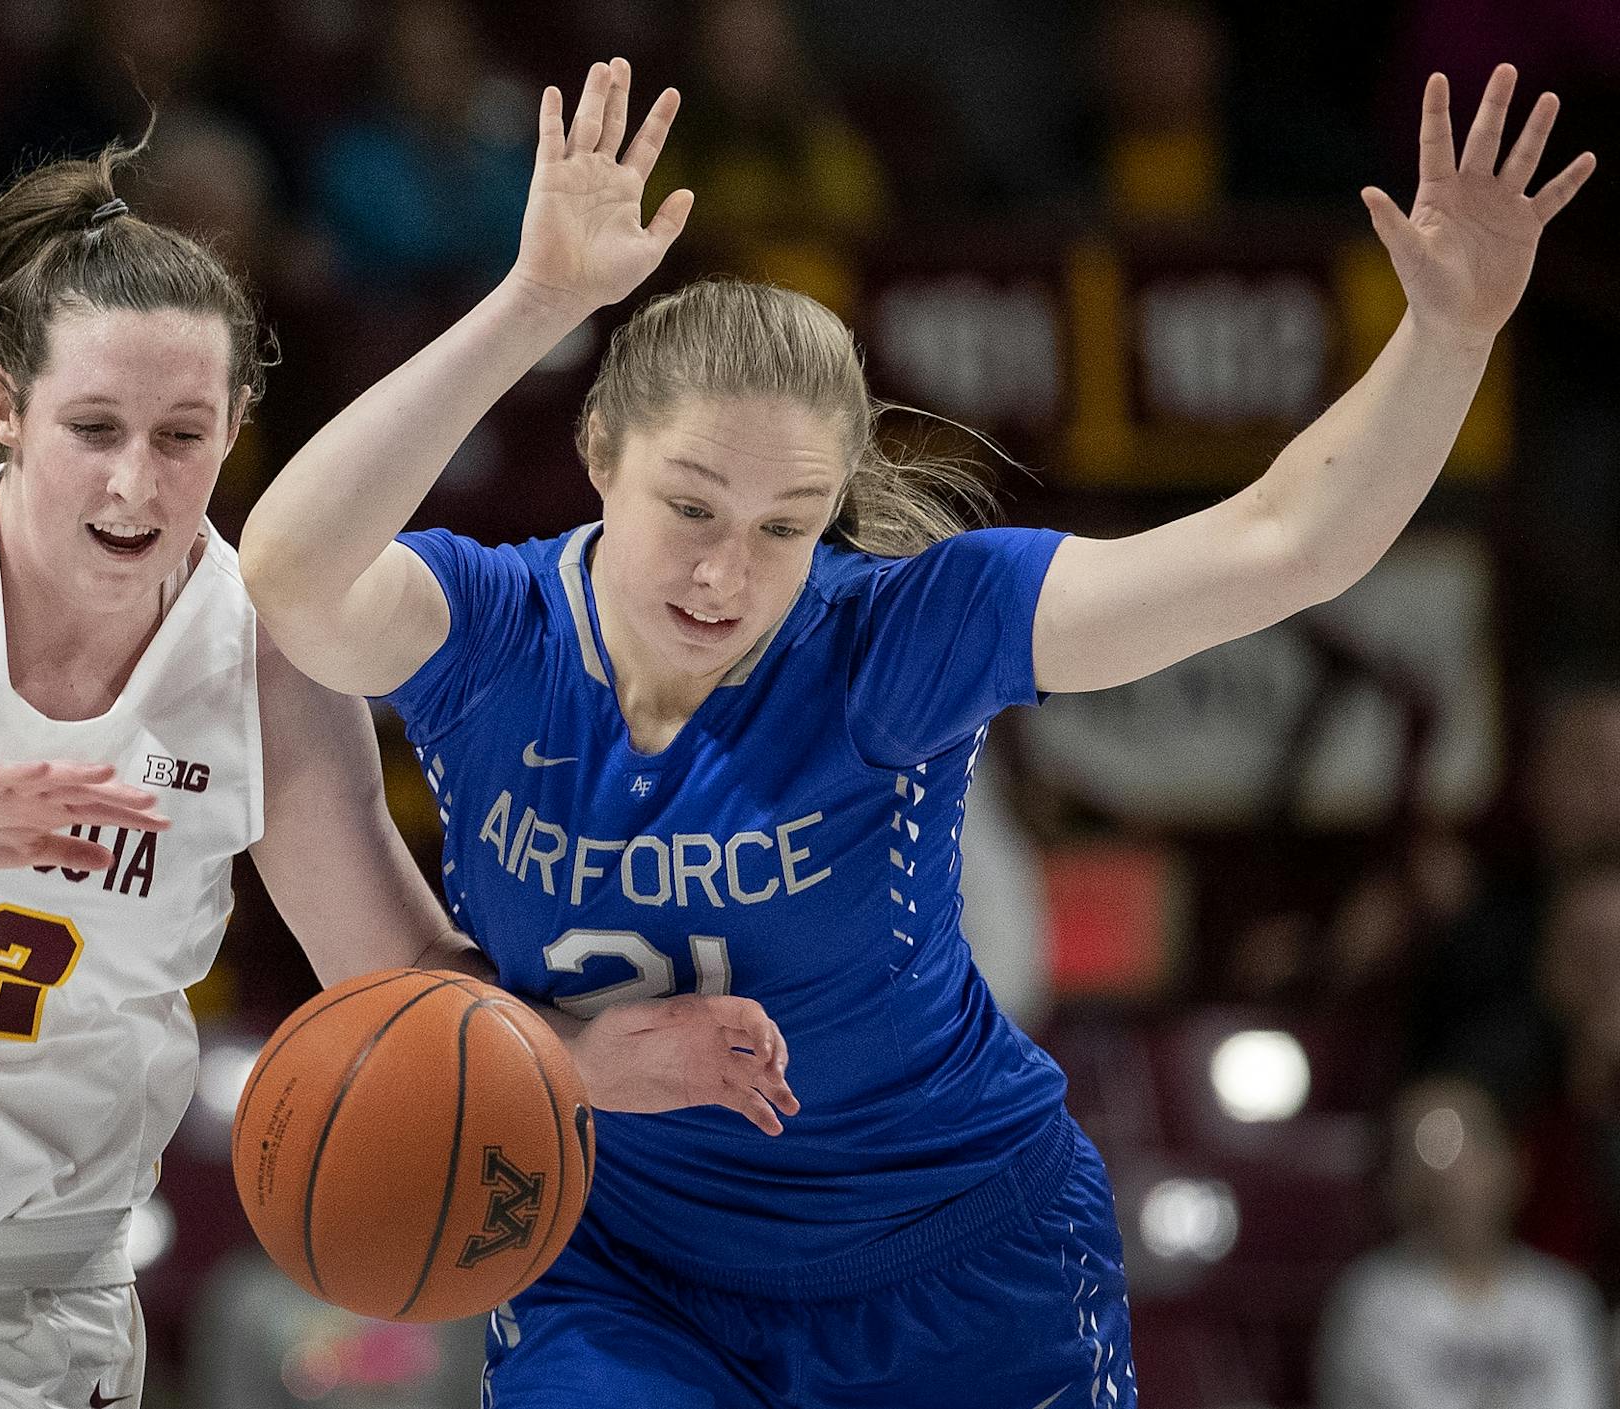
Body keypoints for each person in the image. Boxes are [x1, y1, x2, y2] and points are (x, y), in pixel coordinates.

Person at [239, 58, 1594, 1408]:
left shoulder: (895, 638)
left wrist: (1450, 338)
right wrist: (535, 299)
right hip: (629, 1271)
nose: (726, 572)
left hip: (958, 1274)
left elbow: (1281, 544)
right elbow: (289, 572)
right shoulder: (494, 629)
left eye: (784, 526)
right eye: (692, 506)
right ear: (600, 449)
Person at [0, 140, 779, 1408]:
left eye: (182, 435)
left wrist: (590, 1053)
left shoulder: (261, 653)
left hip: (25, 1321)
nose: (135, 481)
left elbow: (398, 980)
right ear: (4, 406)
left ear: (234, 427)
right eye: (93, 427)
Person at [1315, 1076, 1609, 1409]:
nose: (1445, 1173)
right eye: (1419, 1149)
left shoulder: (1562, 1301)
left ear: (1514, 1163)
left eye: (1466, 1144)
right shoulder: (1374, 1301)